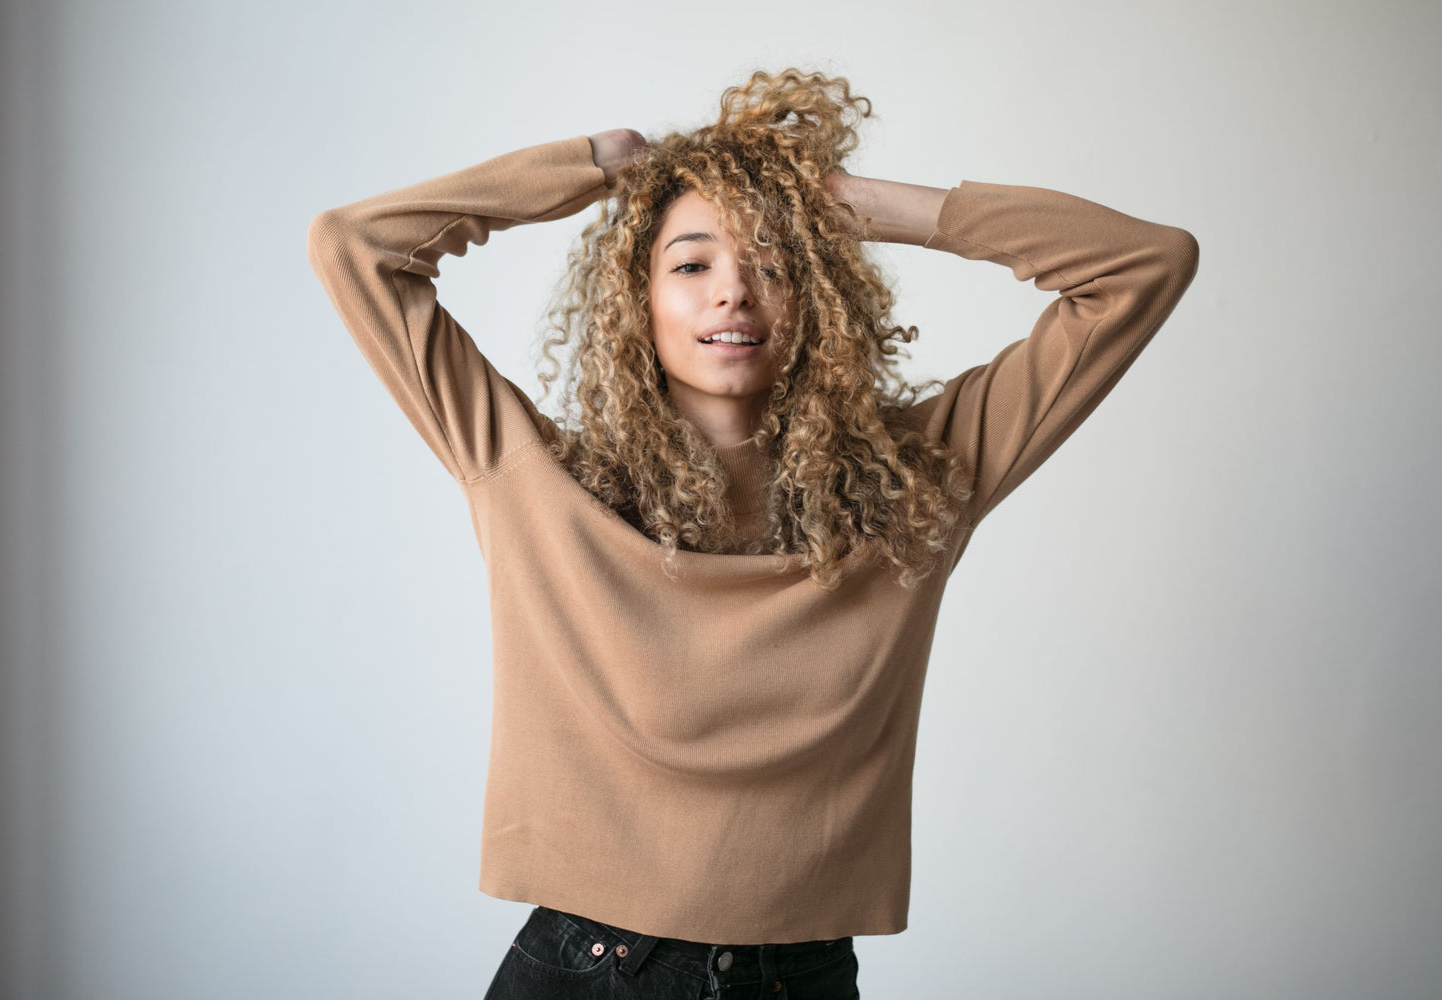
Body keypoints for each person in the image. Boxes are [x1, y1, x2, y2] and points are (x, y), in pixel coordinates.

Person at [307, 68, 1198, 1000]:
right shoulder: (531, 477)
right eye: (691, 264)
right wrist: (590, 170)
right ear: (635, 300)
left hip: (800, 977)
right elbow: (354, 247)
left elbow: (1143, 265)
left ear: (820, 294)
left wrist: (868, 205)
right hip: (586, 968)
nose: (733, 292)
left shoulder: (918, 485)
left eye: (774, 262)